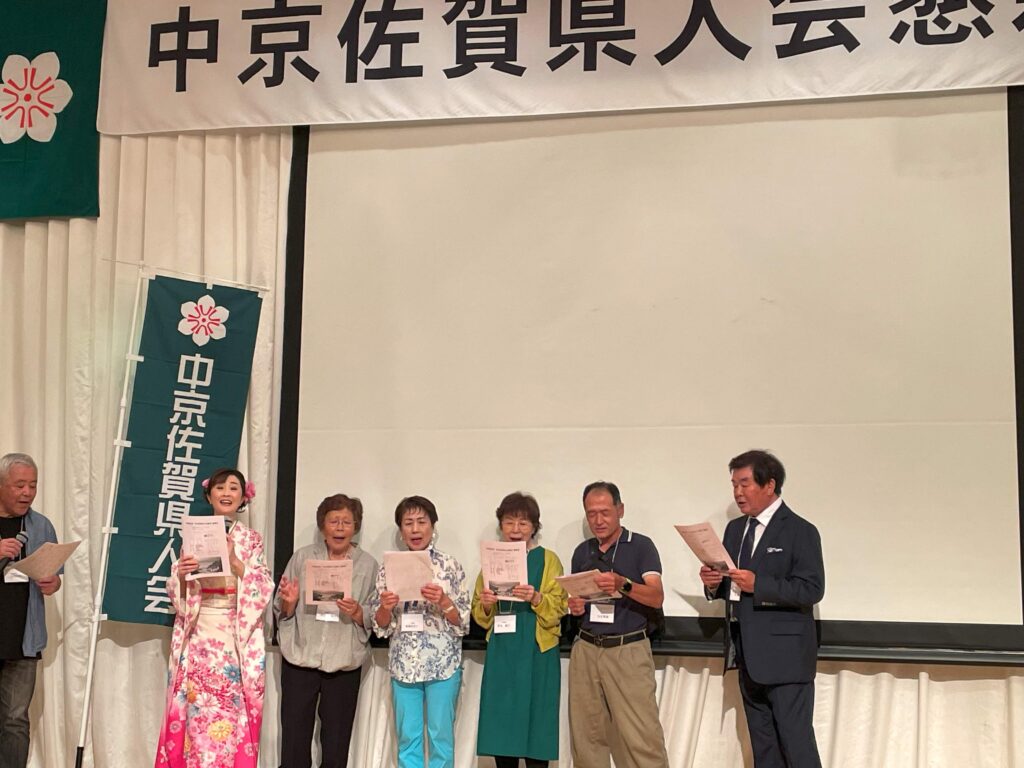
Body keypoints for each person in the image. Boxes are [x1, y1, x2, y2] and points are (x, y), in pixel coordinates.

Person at [699, 450, 825, 768]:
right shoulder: (734, 530)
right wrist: (713, 584)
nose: (738, 492)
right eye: (734, 485)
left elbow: (811, 589)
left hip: (787, 661)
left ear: (769, 485)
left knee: (797, 747)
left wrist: (760, 585)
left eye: (745, 484)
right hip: (747, 656)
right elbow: (733, 586)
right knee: (764, 749)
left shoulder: (800, 530)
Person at [154, 468, 274, 768]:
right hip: (200, 632)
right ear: (209, 496)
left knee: (231, 708)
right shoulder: (194, 533)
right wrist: (182, 576)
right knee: (197, 709)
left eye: (234, 488)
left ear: (243, 498)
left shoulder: (251, 539)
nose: (226, 493)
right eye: (220, 488)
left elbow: (262, 585)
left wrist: (235, 562)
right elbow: (180, 593)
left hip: (235, 636)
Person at [566, 481, 669, 768]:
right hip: (586, 648)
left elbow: (656, 597)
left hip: (628, 650)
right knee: (586, 739)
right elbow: (579, 598)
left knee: (642, 738)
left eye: (605, 512)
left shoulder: (641, 546)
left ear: (620, 510)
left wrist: (622, 584)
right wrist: (575, 607)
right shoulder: (582, 551)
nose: (598, 520)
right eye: (591, 513)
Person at [275, 493, 378, 768]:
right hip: (300, 658)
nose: (340, 527)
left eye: (347, 521)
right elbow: (281, 610)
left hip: (344, 662)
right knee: (294, 743)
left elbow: (376, 613)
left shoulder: (368, 564)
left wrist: (358, 612)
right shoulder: (302, 557)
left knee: (336, 745)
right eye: (334, 521)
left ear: (355, 527)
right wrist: (289, 602)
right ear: (323, 526)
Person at [371, 496, 470, 768]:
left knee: (441, 738)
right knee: (408, 740)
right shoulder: (388, 568)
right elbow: (380, 625)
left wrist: (444, 601)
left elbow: (463, 622)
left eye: (421, 522)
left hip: (443, 665)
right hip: (404, 664)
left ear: (433, 526)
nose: (415, 529)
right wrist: (385, 607)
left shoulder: (450, 566)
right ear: (401, 530)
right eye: (408, 523)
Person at [472, 492, 567, 768]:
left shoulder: (548, 559)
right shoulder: (492, 559)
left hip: (537, 651)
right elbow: (479, 612)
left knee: (538, 722)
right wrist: (486, 604)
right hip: (502, 650)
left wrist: (536, 598)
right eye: (509, 522)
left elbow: (560, 606)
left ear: (534, 527)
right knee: (502, 724)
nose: (516, 529)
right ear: (501, 525)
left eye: (523, 523)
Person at [0, 453, 61, 768]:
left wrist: (54, 583)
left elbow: (54, 575)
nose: (27, 492)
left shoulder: (41, 526)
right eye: (19, 485)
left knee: (15, 720)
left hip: (23, 639)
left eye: (33, 486)